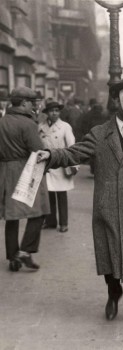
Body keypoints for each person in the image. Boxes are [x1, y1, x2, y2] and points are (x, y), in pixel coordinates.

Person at [37, 76, 123, 329]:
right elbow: (74, 152)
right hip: (108, 208)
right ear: (117, 97)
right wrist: (51, 155)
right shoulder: (100, 133)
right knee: (110, 262)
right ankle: (114, 294)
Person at [0, 86, 50, 272]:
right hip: (26, 171)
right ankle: (26, 251)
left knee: (12, 217)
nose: (34, 107)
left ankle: (13, 256)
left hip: (5, 172)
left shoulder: (2, 121)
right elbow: (37, 150)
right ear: (23, 103)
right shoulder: (28, 124)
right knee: (40, 211)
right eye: (32, 103)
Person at [38, 99, 78, 233]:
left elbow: (72, 146)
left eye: (56, 111)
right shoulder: (41, 126)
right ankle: (50, 221)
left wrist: (74, 164)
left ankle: (64, 223)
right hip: (47, 165)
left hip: (61, 164)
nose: (54, 113)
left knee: (61, 194)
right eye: (51, 111)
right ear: (47, 113)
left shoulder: (65, 127)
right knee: (49, 193)